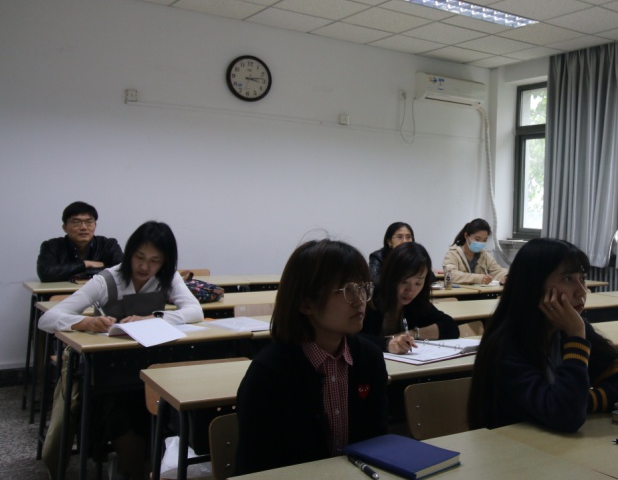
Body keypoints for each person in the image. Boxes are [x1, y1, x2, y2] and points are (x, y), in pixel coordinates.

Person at [38, 221, 202, 480]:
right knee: (123, 411)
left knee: (174, 404)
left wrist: (153, 317)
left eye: (155, 261)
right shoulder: (107, 279)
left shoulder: (167, 277)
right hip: (109, 373)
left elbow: (195, 311)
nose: (145, 267)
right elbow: (47, 319)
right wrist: (86, 322)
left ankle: (154, 465)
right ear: (129, 253)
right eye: (139, 257)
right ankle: (132, 468)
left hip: (153, 366)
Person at [235, 239, 388, 475]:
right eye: (348, 290)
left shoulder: (369, 358)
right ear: (307, 304)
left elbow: (378, 441)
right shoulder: (269, 373)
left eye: (363, 288)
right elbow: (256, 466)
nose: (360, 300)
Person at [467, 238, 618, 432]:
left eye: (582, 278)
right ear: (534, 285)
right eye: (567, 279)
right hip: (511, 447)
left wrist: (582, 400)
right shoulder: (506, 346)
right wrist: (576, 339)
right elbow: (567, 416)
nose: (582, 291)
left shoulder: (568, 329)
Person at [361, 242, 459, 354]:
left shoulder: (417, 302)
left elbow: (451, 327)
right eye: (404, 281)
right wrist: (387, 343)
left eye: (418, 283)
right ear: (391, 276)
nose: (410, 290)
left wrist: (412, 334)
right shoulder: (370, 297)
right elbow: (351, 337)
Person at [36, 201, 124, 282]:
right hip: (63, 293)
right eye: (76, 222)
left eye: (89, 222)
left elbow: (122, 271)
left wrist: (80, 273)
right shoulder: (51, 246)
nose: (84, 227)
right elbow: (45, 273)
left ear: (95, 225)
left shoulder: (109, 245)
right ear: (64, 227)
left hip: (100, 293)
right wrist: (85, 264)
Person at [442, 218, 508, 285]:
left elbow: (497, 271)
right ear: (466, 236)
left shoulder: (484, 255)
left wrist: (506, 276)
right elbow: (451, 275)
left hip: (480, 291)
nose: (480, 243)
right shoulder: (452, 254)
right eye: (477, 239)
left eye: (484, 240)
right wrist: (478, 279)